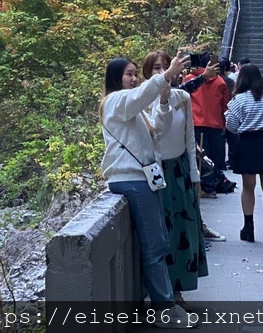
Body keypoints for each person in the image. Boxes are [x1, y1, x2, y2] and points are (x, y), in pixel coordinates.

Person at [100, 54, 193, 327]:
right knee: (155, 246)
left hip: (142, 180)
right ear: (116, 78)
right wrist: (165, 76)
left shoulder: (134, 107)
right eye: (128, 74)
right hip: (131, 180)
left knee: (158, 243)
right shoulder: (115, 101)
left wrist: (163, 99)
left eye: (134, 74)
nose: (134, 78)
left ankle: (165, 305)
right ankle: (165, 309)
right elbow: (138, 96)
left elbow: (160, 131)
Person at [143, 52, 208, 302]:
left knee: (184, 229)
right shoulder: (141, 100)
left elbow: (189, 138)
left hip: (180, 169)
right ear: (148, 73)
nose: (161, 72)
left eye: (165, 67)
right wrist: (161, 99)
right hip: (157, 172)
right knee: (162, 233)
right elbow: (158, 130)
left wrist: (195, 174)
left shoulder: (182, 97)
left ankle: (179, 290)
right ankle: (162, 291)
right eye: (156, 68)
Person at [226, 64, 263, 248]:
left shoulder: (238, 100)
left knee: (248, 187)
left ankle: (249, 227)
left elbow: (231, 125)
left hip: (247, 143)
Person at [184, 59, 230, 198]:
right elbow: (225, 105)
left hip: (197, 122)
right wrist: (224, 123)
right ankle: (212, 185)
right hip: (215, 122)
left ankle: (203, 185)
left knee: (201, 156)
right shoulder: (220, 82)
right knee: (214, 156)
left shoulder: (190, 79)